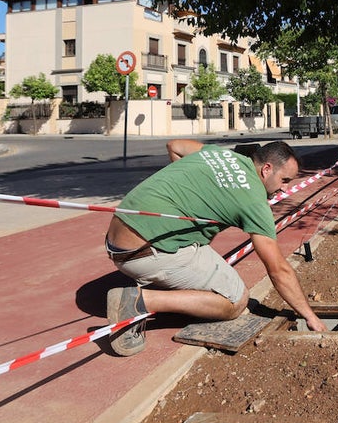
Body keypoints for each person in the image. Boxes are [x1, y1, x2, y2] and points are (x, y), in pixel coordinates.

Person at [104, 138, 326, 356]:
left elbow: (175, 146)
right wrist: (310, 316)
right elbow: (277, 269)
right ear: (267, 169)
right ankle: (137, 301)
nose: (285, 189)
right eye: (284, 180)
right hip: (142, 254)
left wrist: (187, 195)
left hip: (117, 238)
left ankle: (160, 280)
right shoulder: (254, 202)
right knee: (236, 300)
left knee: (205, 254)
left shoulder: (223, 155)